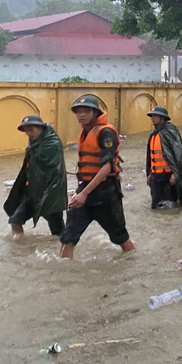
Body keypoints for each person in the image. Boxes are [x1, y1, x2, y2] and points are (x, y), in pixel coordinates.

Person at [60, 95, 134, 259]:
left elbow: (107, 167)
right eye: (79, 112)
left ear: (95, 113)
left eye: (86, 111)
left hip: (106, 193)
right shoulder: (85, 133)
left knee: (120, 236)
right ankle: (62, 275)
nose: (82, 115)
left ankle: (134, 263)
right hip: (85, 188)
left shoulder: (105, 133)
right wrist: (82, 193)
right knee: (68, 235)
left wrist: (84, 193)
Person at [4, 115, 68, 237]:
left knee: (57, 231)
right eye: (26, 130)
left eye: (31, 129)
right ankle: (20, 249)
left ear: (40, 128)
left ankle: (62, 249)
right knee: (15, 219)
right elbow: (28, 168)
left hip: (50, 194)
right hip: (33, 194)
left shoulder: (52, 144)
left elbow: (54, 171)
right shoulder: (33, 144)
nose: (28, 133)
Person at [146, 105, 182, 209]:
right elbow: (151, 157)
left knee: (170, 205)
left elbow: (178, 155)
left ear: (162, 118)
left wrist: (175, 174)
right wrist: (150, 173)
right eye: (152, 116)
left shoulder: (170, 133)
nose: (152, 118)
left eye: (155, 116)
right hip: (156, 177)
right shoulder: (153, 134)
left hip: (168, 177)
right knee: (156, 206)